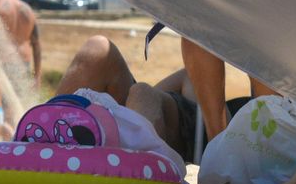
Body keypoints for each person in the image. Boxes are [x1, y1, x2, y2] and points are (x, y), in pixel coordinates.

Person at [55, 34, 275, 164]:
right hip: (177, 123)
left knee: (142, 92)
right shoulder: (194, 80)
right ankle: (41, 137)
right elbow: (185, 77)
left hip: (220, 140)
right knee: (98, 47)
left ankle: (134, 163)